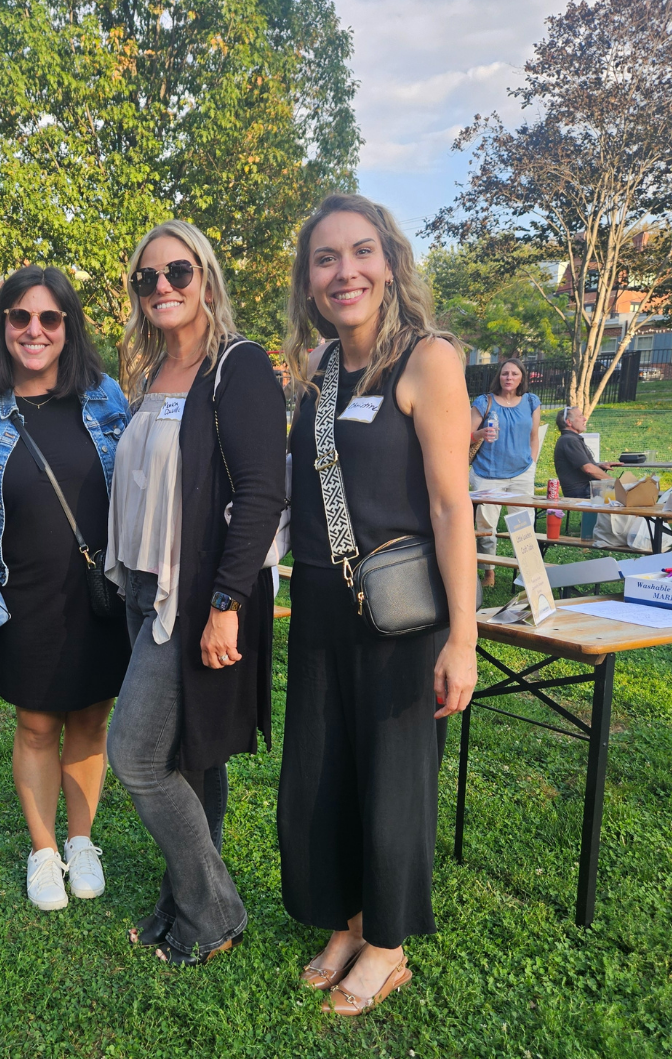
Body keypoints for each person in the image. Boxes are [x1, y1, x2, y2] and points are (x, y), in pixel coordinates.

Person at [278, 193, 477, 1015]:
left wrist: (463, 639)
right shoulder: (320, 369)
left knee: (394, 782)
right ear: (309, 280)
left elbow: (451, 507)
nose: (344, 271)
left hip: (401, 614)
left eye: (361, 252)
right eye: (325, 259)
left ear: (389, 263)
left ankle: (388, 947)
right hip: (322, 605)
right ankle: (348, 921)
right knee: (326, 770)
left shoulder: (428, 360)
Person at [105, 219, 287, 965]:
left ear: (205, 277)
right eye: (146, 277)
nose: (162, 287)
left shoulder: (239, 366)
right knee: (190, 754)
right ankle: (185, 895)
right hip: (143, 584)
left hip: (196, 593)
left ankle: (213, 912)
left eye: (177, 271)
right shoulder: (152, 373)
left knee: (136, 756)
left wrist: (225, 605)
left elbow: (263, 493)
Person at [0, 266, 131, 911]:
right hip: (22, 590)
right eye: (20, 317)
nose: (35, 330)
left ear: (68, 327)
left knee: (90, 716)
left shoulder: (105, 398)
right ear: (2, 326)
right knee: (34, 723)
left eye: (49, 318)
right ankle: (43, 849)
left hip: (96, 588)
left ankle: (81, 841)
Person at [469, 360, 542, 587]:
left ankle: (528, 575)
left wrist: (531, 464)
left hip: (522, 473)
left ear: (522, 378)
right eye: (505, 373)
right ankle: (488, 572)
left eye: (514, 374)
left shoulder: (531, 402)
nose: (509, 377)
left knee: (524, 525)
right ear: (499, 377)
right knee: (486, 526)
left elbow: (534, 437)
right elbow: (464, 434)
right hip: (488, 474)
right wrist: (480, 434)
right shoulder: (484, 402)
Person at [553, 406, 610, 497]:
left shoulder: (569, 439)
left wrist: (598, 465)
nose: (584, 419)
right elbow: (588, 469)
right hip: (583, 493)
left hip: (586, 490)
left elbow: (579, 465)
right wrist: (614, 482)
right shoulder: (570, 440)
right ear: (569, 422)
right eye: (580, 416)